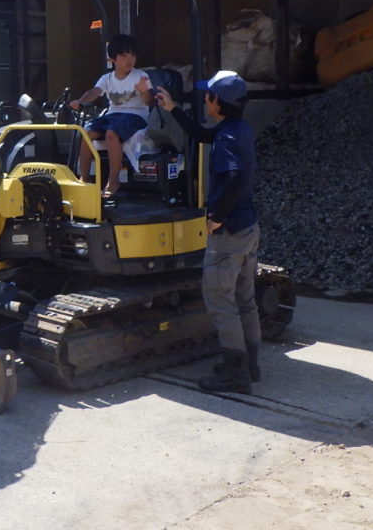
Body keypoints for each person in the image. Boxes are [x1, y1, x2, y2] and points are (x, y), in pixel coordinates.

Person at [155, 70, 261, 393]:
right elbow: (201, 135)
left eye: (208, 95)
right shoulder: (237, 129)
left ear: (218, 102)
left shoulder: (226, 138)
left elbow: (233, 176)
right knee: (244, 298)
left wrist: (216, 216)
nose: (204, 99)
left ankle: (235, 374)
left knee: (220, 300)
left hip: (229, 233)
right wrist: (173, 108)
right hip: (248, 227)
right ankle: (250, 364)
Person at [69, 34, 153, 197]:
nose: (129, 60)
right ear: (112, 59)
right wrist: (80, 101)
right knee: (85, 133)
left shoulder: (141, 76)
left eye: (132, 56)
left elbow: (150, 102)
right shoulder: (106, 78)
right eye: (124, 56)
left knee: (111, 133)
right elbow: (94, 92)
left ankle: (113, 181)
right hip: (113, 116)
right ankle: (84, 179)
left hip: (136, 117)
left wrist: (144, 91)